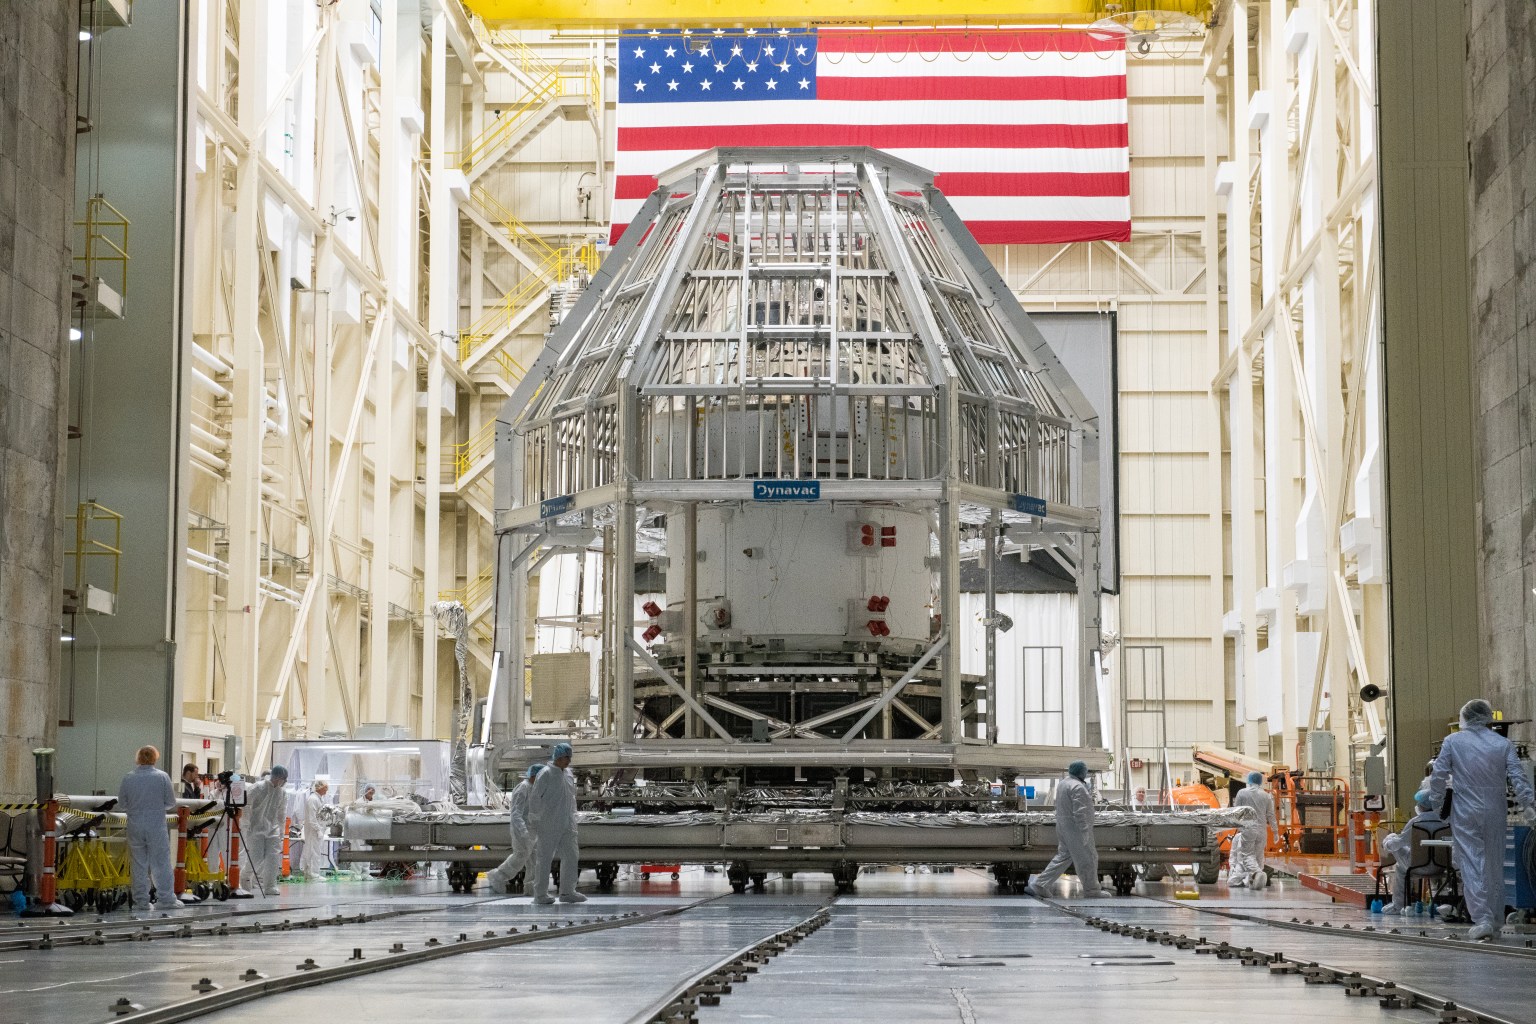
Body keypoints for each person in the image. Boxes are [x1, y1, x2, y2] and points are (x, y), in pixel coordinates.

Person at [1427, 698, 1536, 940]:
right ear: (1488, 717)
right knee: (1494, 862)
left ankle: (1483, 918)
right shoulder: (1502, 743)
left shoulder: (1453, 741)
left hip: (1465, 809)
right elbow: (1518, 777)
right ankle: (1496, 917)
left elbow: (1438, 775)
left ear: (1464, 717)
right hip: (1496, 809)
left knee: (1472, 863)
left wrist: (1437, 805)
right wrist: (1529, 806)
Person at [119, 746, 180, 912]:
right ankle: (166, 899)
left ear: (138, 758)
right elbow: (171, 802)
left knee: (139, 864)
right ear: (155, 757)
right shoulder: (162, 777)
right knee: (160, 862)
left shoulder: (128, 778)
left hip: (135, 825)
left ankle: (141, 902)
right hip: (156, 825)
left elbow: (122, 804)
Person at [1029, 761, 1102, 898]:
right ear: (1082, 772)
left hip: (1064, 826)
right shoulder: (1077, 787)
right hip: (1076, 829)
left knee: (1064, 857)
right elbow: (1081, 811)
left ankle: (1040, 884)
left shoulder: (1064, 783)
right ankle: (1092, 890)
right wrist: (1085, 830)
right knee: (1088, 858)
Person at [528, 742, 586, 904]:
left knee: (572, 855)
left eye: (569, 757)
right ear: (558, 757)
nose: (568, 760)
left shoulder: (568, 773)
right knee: (545, 858)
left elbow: (571, 797)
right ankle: (540, 895)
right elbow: (535, 798)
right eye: (565, 757)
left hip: (567, 823)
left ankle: (567, 892)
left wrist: (574, 816)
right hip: (548, 823)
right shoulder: (546, 774)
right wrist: (535, 820)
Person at [1381, 790, 1445, 914]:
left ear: (1421, 806)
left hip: (1417, 866)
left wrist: (1388, 841)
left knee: (1396, 851)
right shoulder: (1445, 821)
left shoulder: (1416, 822)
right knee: (1401, 862)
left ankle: (1398, 905)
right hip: (1441, 867)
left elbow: (1399, 843)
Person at [486, 763, 546, 894]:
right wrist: (523, 832)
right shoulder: (523, 788)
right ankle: (498, 876)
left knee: (535, 860)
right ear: (534, 775)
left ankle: (532, 888)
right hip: (521, 829)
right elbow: (516, 813)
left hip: (533, 830)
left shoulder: (535, 788)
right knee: (521, 856)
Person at [242, 766, 289, 895]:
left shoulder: (282, 792)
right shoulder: (258, 787)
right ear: (278, 777)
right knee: (255, 858)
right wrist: (246, 824)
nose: (284, 782)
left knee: (273, 859)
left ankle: (270, 886)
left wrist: (281, 831)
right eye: (284, 779)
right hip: (256, 828)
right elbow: (246, 806)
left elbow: (281, 813)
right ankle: (244, 881)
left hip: (273, 830)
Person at [1227, 771, 1278, 889]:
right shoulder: (1266, 795)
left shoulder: (1242, 793)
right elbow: (1271, 815)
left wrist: (1236, 826)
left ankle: (1256, 873)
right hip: (1262, 830)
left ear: (1248, 780)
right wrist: (1275, 832)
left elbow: (1236, 812)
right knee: (1259, 856)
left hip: (1248, 829)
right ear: (1260, 781)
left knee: (1247, 854)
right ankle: (1253, 882)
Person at [300, 781, 331, 879]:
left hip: (316, 830)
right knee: (313, 852)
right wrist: (318, 830)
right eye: (325, 788)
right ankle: (313, 874)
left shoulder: (319, 799)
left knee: (314, 851)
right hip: (313, 831)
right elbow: (312, 818)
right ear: (319, 788)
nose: (326, 790)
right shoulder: (313, 799)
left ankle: (311, 873)